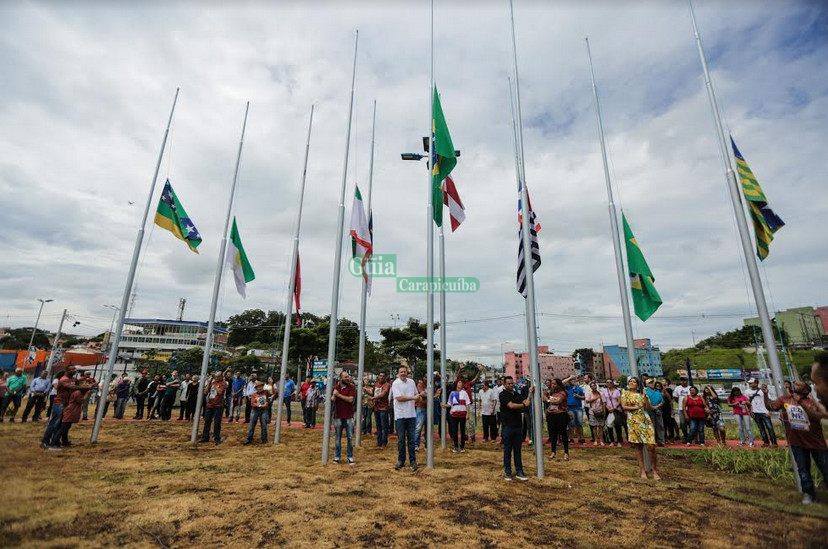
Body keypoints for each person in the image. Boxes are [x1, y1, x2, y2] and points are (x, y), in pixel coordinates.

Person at [763, 381, 828, 504]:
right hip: (797, 442)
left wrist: (801, 402)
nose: (795, 383)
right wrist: (765, 394)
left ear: (805, 391)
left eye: (799, 384)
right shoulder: (785, 399)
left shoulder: (812, 402)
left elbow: (815, 416)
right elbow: (771, 407)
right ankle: (809, 494)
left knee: (826, 468)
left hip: (816, 443)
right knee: (803, 469)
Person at [622, 377, 660, 480]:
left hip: (645, 420)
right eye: (630, 381)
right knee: (638, 446)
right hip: (633, 421)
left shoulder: (642, 394)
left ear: (638, 385)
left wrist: (646, 399)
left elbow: (648, 408)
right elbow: (624, 406)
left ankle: (654, 470)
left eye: (634, 381)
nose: (631, 383)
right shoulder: (625, 393)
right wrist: (636, 407)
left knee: (651, 446)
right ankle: (642, 470)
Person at [41, 366, 85, 449]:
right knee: (54, 423)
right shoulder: (64, 379)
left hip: (66, 404)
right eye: (72, 369)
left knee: (62, 424)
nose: (74, 370)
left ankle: (57, 441)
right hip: (59, 403)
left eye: (75, 369)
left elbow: (77, 383)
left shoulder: (73, 379)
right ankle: (45, 441)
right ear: (67, 371)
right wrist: (84, 387)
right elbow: (72, 387)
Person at [390, 366, 420, 471]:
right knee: (401, 439)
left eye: (404, 372)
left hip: (411, 414)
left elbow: (416, 393)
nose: (403, 373)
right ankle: (401, 461)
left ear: (407, 373)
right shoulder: (395, 383)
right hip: (400, 416)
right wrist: (413, 398)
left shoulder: (411, 382)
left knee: (411, 439)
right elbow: (399, 398)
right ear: (398, 373)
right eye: (401, 372)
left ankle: (413, 461)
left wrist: (419, 396)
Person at [499, 376, 529, 481]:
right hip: (508, 426)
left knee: (517, 450)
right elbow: (511, 406)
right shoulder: (502, 395)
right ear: (504, 384)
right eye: (509, 383)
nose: (511, 385)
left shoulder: (516, 394)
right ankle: (507, 472)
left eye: (512, 383)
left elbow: (524, 400)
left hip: (518, 426)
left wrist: (528, 396)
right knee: (507, 450)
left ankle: (519, 471)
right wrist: (523, 405)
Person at [56, 378, 94, 448]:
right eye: (85, 383)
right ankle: (55, 441)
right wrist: (87, 394)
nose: (87, 385)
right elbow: (81, 401)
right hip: (71, 410)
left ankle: (65, 441)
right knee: (64, 427)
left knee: (66, 427)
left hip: (72, 410)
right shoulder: (78, 392)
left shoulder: (77, 392)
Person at [331, 371, 356, 464]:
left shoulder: (352, 387)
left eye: (348, 377)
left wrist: (338, 395)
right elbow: (332, 399)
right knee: (338, 437)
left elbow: (350, 400)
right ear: (341, 378)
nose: (347, 378)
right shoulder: (336, 387)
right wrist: (334, 395)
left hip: (348, 416)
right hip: (338, 416)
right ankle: (337, 456)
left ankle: (350, 456)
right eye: (345, 377)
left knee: (350, 437)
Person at [744, 378, 778, 447]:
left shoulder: (762, 390)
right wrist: (750, 411)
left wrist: (769, 410)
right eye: (749, 383)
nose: (750, 384)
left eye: (751, 383)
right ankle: (766, 442)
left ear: (756, 383)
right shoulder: (747, 391)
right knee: (761, 428)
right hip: (755, 412)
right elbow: (747, 403)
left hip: (764, 412)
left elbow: (769, 401)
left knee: (769, 428)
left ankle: (774, 443)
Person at [544, 378, 569, 460]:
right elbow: (544, 397)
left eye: (554, 384)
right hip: (551, 415)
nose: (553, 385)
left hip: (561, 414)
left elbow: (558, 401)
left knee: (563, 433)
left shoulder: (562, 393)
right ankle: (553, 452)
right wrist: (547, 398)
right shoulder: (551, 392)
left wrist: (548, 400)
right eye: (552, 384)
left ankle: (566, 453)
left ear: (558, 385)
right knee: (552, 434)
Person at [200, 371, 227, 445]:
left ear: (221, 376)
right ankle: (205, 437)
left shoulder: (223, 383)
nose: (216, 378)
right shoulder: (212, 382)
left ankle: (217, 438)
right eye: (215, 376)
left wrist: (214, 384)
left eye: (218, 376)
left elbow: (220, 392)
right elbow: (205, 392)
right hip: (209, 405)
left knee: (217, 423)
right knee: (207, 422)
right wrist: (209, 382)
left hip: (218, 406)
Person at [444, 379, 470, 453]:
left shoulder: (464, 393)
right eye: (459, 382)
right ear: (456, 384)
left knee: (462, 431)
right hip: (454, 415)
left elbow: (467, 404)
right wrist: (444, 405)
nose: (460, 384)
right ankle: (455, 446)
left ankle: (462, 447)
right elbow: (449, 404)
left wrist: (468, 414)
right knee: (454, 431)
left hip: (462, 415)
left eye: (461, 382)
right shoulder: (452, 393)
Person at [244, 381, 270, 445]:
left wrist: (271, 383)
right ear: (256, 388)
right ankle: (249, 439)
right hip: (255, 410)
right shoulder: (254, 394)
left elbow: (273, 393)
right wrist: (260, 405)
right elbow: (252, 403)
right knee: (251, 425)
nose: (259, 388)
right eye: (258, 387)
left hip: (264, 410)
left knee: (264, 425)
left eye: (261, 386)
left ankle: (264, 439)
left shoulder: (266, 392)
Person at [601, 380, 624, 447]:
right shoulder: (604, 391)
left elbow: (619, 401)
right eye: (607, 382)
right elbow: (604, 401)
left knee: (617, 426)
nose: (609, 384)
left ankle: (619, 441)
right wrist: (608, 408)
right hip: (608, 410)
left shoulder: (617, 391)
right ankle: (612, 441)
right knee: (609, 425)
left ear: (613, 383)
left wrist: (614, 407)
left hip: (616, 409)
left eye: (610, 382)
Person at [564, 376, 585, 445]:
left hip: (578, 408)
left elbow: (584, 397)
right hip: (569, 408)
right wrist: (569, 377)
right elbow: (561, 383)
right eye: (571, 380)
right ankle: (571, 438)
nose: (573, 381)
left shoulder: (579, 388)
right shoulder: (567, 387)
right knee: (571, 424)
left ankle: (581, 438)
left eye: (574, 380)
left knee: (579, 424)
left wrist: (579, 397)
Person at [644, 378, 665, 446]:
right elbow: (645, 401)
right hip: (649, 410)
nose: (652, 383)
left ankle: (661, 441)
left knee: (660, 426)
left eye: (652, 382)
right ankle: (652, 440)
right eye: (650, 382)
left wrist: (657, 407)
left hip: (658, 410)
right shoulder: (645, 391)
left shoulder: (657, 391)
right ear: (646, 384)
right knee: (651, 426)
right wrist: (653, 407)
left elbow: (662, 401)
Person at [372, 372, 390, 448]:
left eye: (383, 376)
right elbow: (372, 393)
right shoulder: (375, 384)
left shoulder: (387, 385)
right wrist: (366, 391)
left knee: (384, 426)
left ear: (385, 377)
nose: (381, 377)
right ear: (378, 377)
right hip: (376, 407)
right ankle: (379, 442)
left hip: (384, 408)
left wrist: (373, 398)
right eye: (380, 376)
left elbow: (383, 394)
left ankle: (384, 442)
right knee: (378, 426)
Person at [585, 380, 606, 446]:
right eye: (592, 386)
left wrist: (604, 411)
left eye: (594, 386)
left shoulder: (601, 393)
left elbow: (603, 403)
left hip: (600, 411)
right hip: (592, 412)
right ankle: (596, 440)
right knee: (594, 426)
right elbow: (587, 401)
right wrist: (594, 398)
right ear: (590, 387)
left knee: (600, 426)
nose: (593, 387)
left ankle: (601, 440)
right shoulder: (589, 393)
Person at [414, 378, 427, 451]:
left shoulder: (431, 385)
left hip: (429, 408)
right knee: (418, 427)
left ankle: (427, 445)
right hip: (421, 408)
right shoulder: (420, 385)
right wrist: (432, 396)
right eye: (425, 377)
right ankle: (415, 445)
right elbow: (422, 394)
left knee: (428, 428)